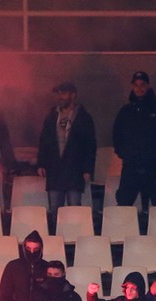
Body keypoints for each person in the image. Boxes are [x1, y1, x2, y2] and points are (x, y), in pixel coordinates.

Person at [112, 71, 156, 208]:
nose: (139, 89)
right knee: (123, 203)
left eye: (142, 85)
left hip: (153, 165)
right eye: (136, 85)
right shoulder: (126, 111)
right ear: (132, 87)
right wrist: (125, 154)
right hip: (131, 165)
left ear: (148, 86)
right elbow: (116, 136)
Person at [37, 80, 96, 209]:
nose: (60, 97)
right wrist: (41, 163)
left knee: (74, 208)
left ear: (73, 95)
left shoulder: (83, 117)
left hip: (74, 170)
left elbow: (90, 145)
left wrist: (88, 169)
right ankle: (56, 225)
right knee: (55, 209)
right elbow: (43, 141)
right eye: (58, 93)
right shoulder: (51, 116)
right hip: (55, 169)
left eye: (63, 93)